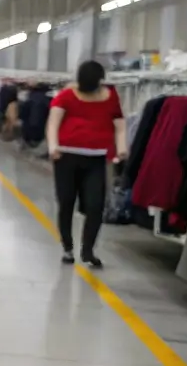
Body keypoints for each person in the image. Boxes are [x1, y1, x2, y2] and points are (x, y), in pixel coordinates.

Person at [47, 59, 127, 269]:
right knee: (66, 202)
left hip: (96, 158)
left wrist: (122, 147)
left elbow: (119, 125)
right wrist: (53, 146)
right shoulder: (66, 96)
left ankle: (88, 250)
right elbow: (53, 123)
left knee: (95, 205)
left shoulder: (111, 97)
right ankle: (67, 247)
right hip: (66, 156)